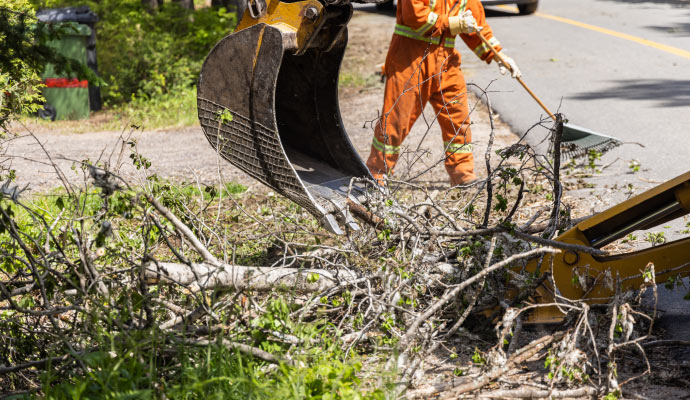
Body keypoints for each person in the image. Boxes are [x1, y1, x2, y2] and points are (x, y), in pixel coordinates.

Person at [366, 0, 521, 186]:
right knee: (396, 121)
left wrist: (499, 55)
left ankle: (462, 174)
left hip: (445, 62)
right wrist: (453, 23)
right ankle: (376, 174)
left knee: (458, 117)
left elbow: (477, 28)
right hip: (409, 61)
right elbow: (415, 17)